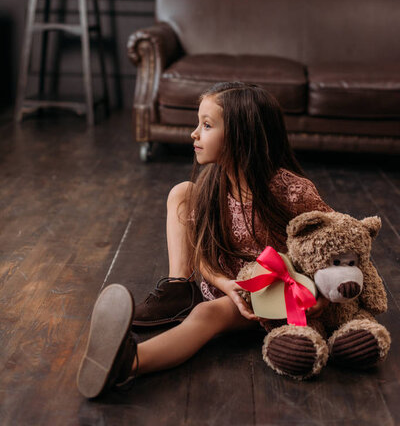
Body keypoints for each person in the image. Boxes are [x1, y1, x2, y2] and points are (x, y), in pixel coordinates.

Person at [76, 82, 332, 398]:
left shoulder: (292, 191)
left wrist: (323, 295)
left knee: (205, 316)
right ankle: (178, 289)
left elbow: (336, 243)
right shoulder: (213, 185)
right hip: (228, 283)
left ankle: (127, 363)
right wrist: (223, 283)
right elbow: (203, 253)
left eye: (207, 125)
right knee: (182, 192)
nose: (194, 134)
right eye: (198, 123)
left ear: (242, 136)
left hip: (267, 297)